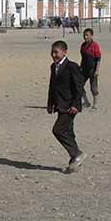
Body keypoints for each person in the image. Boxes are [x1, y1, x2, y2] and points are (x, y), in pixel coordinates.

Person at [47, 40, 86, 173]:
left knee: (58, 130)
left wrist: (76, 104)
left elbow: (79, 87)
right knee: (68, 131)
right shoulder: (53, 67)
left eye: (56, 52)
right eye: (52, 52)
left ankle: (76, 154)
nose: (54, 55)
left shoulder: (72, 66)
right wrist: (50, 103)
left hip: (70, 105)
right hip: (60, 104)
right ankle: (74, 161)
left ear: (64, 52)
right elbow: (52, 86)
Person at [79, 28, 102, 111]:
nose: (85, 37)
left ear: (91, 36)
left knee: (93, 88)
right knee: (79, 85)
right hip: (84, 69)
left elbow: (98, 59)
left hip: (92, 70)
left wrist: (97, 70)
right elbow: (83, 58)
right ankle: (86, 102)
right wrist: (80, 67)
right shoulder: (83, 46)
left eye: (87, 35)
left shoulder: (95, 45)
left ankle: (95, 105)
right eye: (84, 35)